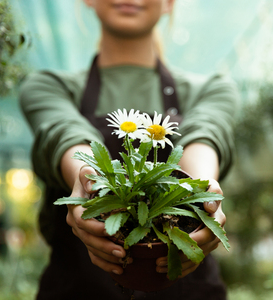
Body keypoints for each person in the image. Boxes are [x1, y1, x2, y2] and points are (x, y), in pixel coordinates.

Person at [19, 0, 238, 299]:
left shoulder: (212, 88)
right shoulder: (48, 86)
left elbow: (205, 135)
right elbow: (63, 134)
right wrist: (88, 179)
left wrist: (199, 194)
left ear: (169, 3)